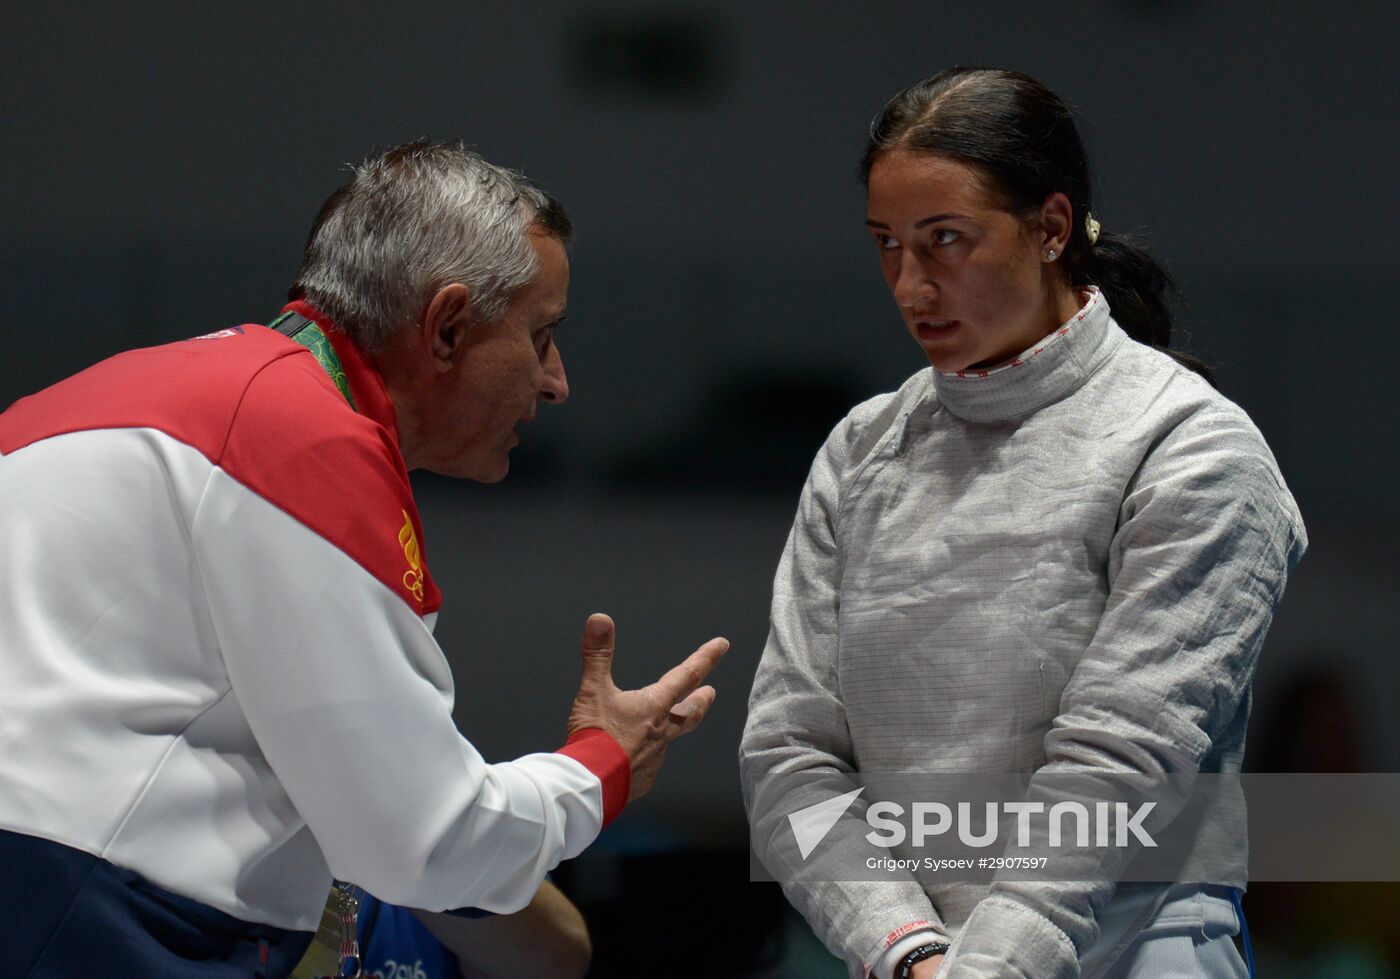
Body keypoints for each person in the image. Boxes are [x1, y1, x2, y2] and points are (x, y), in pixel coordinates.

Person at [0, 140, 726, 978]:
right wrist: (602, 764)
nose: (556, 380)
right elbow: (424, 841)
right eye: (542, 335)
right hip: (75, 911)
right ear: (447, 327)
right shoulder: (299, 435)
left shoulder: (111, 393)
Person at [740, 68, 1306, 979]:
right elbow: (789, 760)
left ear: (1049, 227)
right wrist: (904, 948)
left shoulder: (1190, 447)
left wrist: (990, 968)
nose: (908, 284)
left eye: (945, 241)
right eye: (886, 244)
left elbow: (1121, 759)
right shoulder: (862, 451)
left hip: (1135, 948)